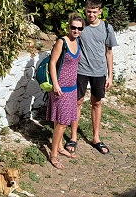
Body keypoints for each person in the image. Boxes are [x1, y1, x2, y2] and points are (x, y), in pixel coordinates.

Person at [67, 0, 117, 155]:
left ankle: (96, 138)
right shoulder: (81, 27)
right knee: (77, 102)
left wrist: (110, 75)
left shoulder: (107, 28)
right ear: (85, 11)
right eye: (89, 11)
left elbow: (109, 52)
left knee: (96, 103)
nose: (91, 14)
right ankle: (73, 137)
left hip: (99, 72)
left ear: (100, 11)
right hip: (81, 71)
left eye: (94, 11)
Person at [48, 14, 84, 169]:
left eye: (79, 28)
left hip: (72, 87)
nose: (76, 30)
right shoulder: (61, 42)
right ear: (69, 27)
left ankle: (60, 147)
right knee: (62, 123)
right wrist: (55, 84)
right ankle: (53, 155)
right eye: (73, 27)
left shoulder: (78, 42)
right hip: (61, 88)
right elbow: (52, 62)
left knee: (61, 121)